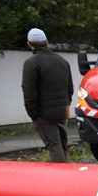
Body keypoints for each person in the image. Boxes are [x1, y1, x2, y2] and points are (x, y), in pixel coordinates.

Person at [21, 28, 73, 163]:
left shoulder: (31, 63)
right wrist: (66, 107)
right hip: (63, 111)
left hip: (44, 114)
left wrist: (33, 114)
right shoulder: (62, 61)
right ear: (47, 42)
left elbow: (29, 92)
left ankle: (61, 178)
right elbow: (70, 89)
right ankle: (69, 175)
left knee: (54, 145)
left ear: (29, 44)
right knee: (62, 145)